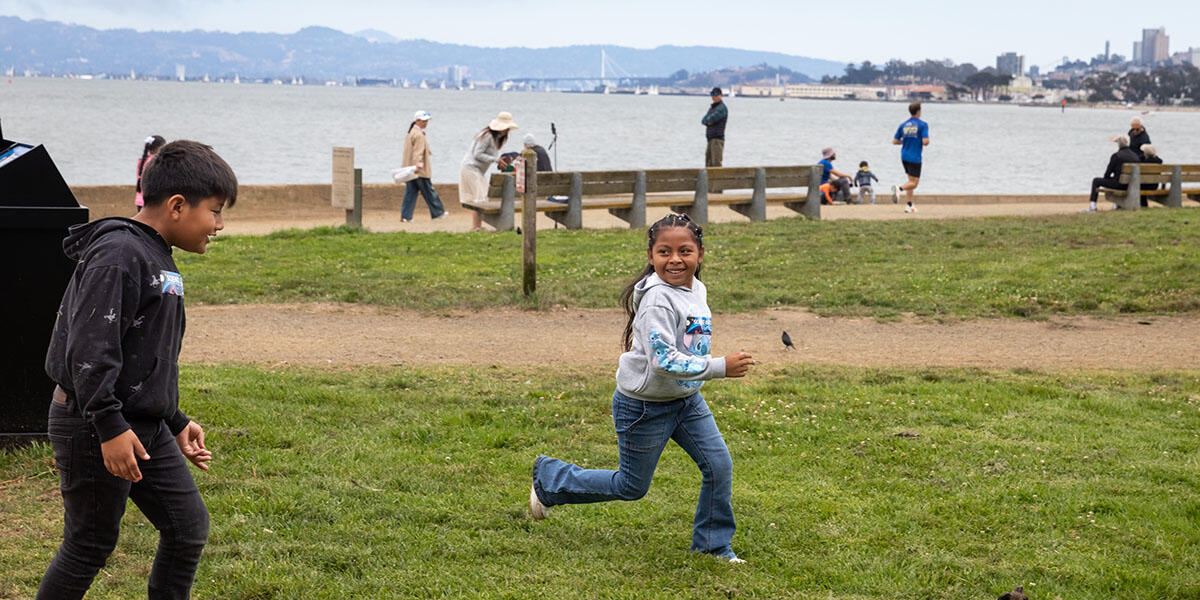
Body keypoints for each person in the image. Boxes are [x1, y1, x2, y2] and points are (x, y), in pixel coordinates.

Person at [38, 140, 237, 599]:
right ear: (177, 205)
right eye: (216, 211)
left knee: (187, 529)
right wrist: (109, 428)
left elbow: (146, 355)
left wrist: (174, 418)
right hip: (96, 424)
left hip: (145, 426)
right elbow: (89, 352)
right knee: (89, 544)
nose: (220, 225)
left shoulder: (155, 253)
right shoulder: (118, 255)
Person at [529, 212, 755, 563]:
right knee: (630, 487)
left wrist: (699, 373)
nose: (675, 259)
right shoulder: (656, 300)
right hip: (645, 406)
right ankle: (551, 480)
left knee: (719, 465)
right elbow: (662, 358)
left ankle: (712, 546)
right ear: (651, 256)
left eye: (685, 251)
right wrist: (718, 367)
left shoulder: (696, 289)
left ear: (701, 253)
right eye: (664, 252)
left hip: (686, 399)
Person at [461, 111, 518, 231]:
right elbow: (477, 154)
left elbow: (487, 156)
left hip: (476, 170)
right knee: (480, 197)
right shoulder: (487, 136)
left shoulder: (497, 138)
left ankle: (477, 226)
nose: (507, 130)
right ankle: (476, 227)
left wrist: (498, 162)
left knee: (479, 197)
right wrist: (496, 160)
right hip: (471, 168)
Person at [400, 110, 447, 223]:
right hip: (418, 169)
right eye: (423, 121)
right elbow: (418, 152)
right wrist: (419, 164)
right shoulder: (419, 135)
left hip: (410, 168)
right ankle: (438, 212)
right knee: (428, 190)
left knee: (411, 192)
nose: (425, 123)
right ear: (417, 121)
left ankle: (406, 216)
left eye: (426, 121)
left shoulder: (412, 132)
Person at [891, 102, 930, 213]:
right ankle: (899, 189)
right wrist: (923, 141)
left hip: (904, 155)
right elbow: (925, 141)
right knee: (914, 183)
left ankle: (909, 206)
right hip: (915, 157)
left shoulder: (903, 125)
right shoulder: (923, 125)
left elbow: (894, 141)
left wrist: (906, 141)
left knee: (910, 181)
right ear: (918, 111)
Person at [1084, 134, 1139, 212]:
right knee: (1117, 179)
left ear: (1118, 145)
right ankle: (1116, 205)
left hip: (1118, 184)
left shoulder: (1116, 156)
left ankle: (1093, 206)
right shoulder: (1135, 156)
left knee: (1096, 181)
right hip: (1131, 184)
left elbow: (1108, 173)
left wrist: (1107, 178)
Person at [135, 135, 166, 213]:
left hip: (140, 200)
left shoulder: (142, 161)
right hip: (151, 201)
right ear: (159, 148)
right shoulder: (156, 161)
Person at [701, 87, 727, 168]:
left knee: (716, 164)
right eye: (712, 94)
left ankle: (718, 181)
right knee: (708, 164)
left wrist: (709, 121)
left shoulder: (721, 108)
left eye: (715, 94)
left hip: (717, 140)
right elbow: (704, 120)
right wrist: (709, 122)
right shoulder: (712, 108)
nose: (713, 96)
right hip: (710, 139)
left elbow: (712, 118)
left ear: (720, 95)